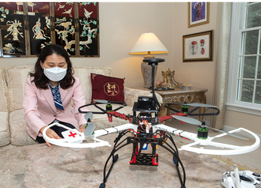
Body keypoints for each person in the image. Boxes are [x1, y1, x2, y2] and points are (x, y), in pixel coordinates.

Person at [23, 44, 88, 147]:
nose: (56, 69)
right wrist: (44, 129)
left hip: (67, 119)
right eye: (51, 65)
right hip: (43, 122)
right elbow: (30, 110)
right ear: (41, 64)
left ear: (67, 64)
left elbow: (80, 106)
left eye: (61, 65)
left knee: (74, 143)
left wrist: (84, 124)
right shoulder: (31, 83)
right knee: (52, 146)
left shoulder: (75, 82)